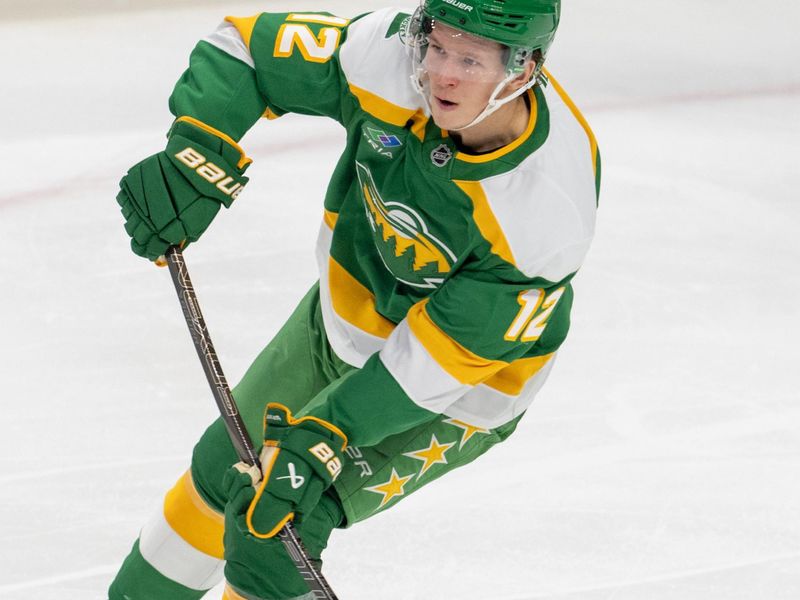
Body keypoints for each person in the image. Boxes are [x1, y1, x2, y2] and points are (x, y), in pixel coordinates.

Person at [110, 0, 600, 597]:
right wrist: (198, 145)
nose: (442, 73)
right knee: (222, 471)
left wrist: (329, 431)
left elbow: (444, 357)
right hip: (344, 317)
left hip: (461, 390)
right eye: (438, 46)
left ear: (524, 69)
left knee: (278, 527)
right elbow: (247, 46)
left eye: (470, 60)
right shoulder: (392, 56)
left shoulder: (546, 211)